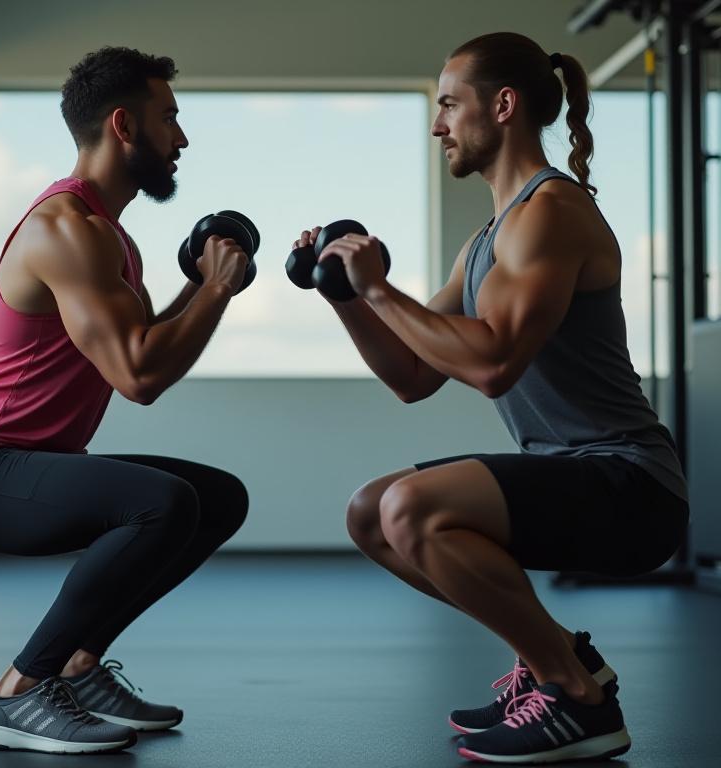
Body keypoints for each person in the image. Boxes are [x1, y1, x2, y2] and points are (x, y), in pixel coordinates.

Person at [292, 32, 688, 764]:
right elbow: (413, 376)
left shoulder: (551, 213)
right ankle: (555, 662)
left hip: (631, 484)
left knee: (411, 507)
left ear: (503, 106)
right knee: (369, 512)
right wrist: (347, 294)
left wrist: (381, 286)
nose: (437, 124)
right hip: (575, 474)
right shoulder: (484, 242)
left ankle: (578, 699)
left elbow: (495, 363)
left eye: (448, 104)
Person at [0, 46, 250, 755]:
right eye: (170, 120)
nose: (181, 139)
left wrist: (198, 288)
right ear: (124, 126)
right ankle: (18, 691)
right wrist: (215, 291)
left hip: (19, 461)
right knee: (163, 502)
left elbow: (145, 345)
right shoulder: (67, 230)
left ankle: (77, 664)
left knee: (216, 497)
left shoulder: (111, 238)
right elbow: (140, 377)